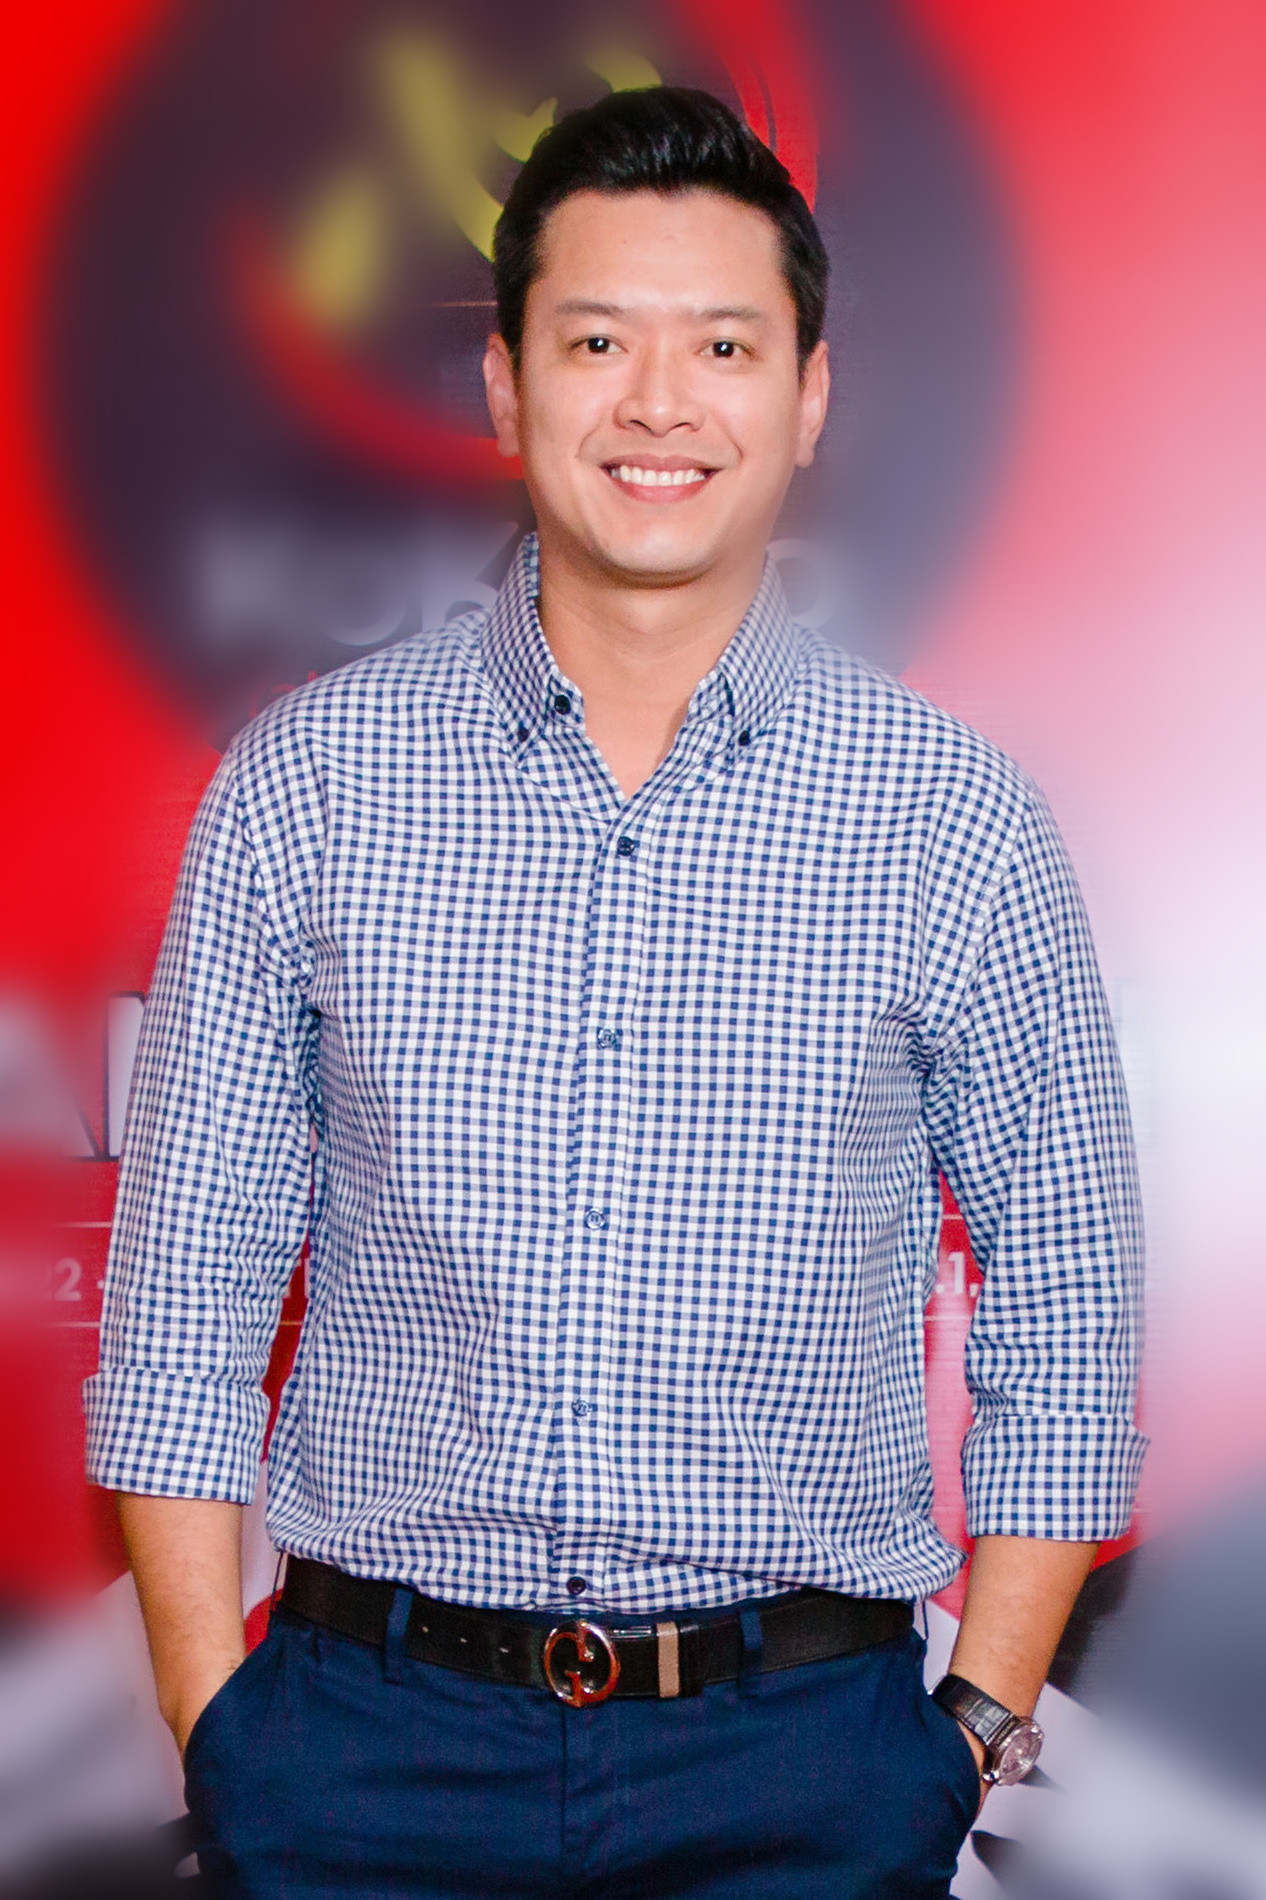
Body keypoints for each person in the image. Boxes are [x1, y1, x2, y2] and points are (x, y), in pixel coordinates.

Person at [85, 86, 1146, 1899]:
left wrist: (964, 1731)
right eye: (596, 342)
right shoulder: (307, 785)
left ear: (807, 396)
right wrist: (218, 1730)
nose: (659, 403)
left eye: (723, 345)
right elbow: (185, 1289)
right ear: (506, 388)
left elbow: (1070, 1307)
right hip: (363, 1760)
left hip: (802, 1769)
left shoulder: (950, 818)